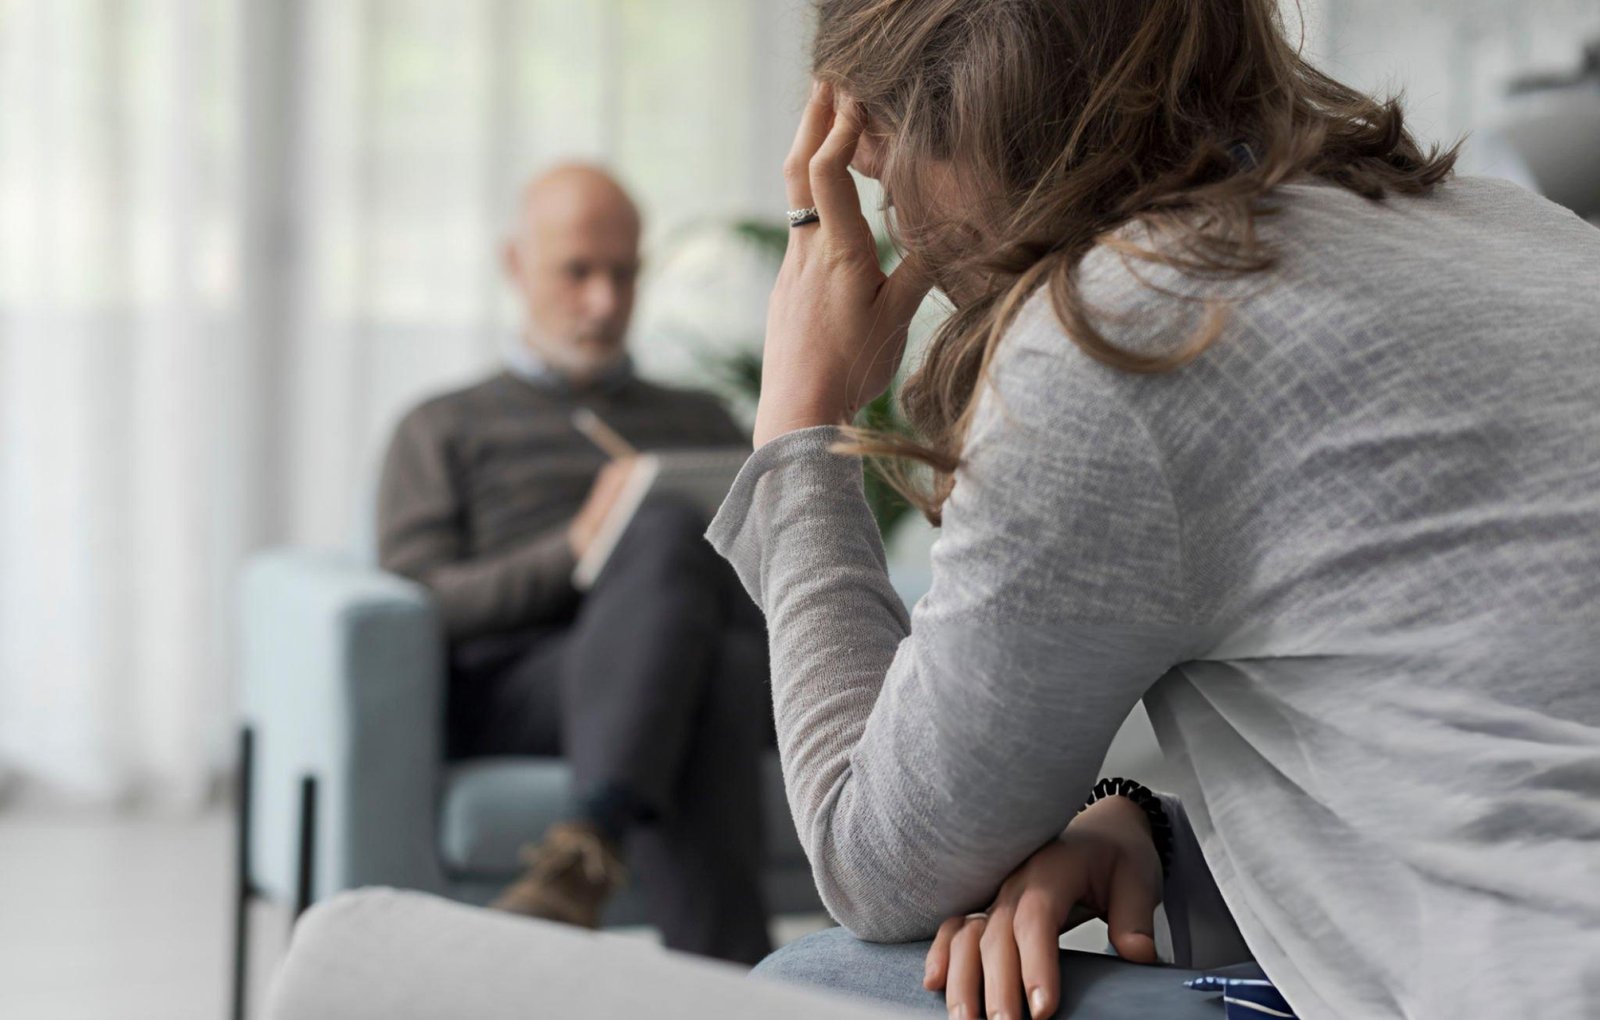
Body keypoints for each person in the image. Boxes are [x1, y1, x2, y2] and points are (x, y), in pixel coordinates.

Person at [705, 1, 1600, 1017]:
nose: (899, 230)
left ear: (968, 126)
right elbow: (1501, 744)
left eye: (886, 182)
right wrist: (1149, 834)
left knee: (821, 990)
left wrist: (799, 428)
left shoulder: (1124, 329)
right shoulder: (1527, 231)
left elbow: (875, 859)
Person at [377, 163, 772, 965]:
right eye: (577, 272)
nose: (604, 302)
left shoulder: (702, 418)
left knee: (720, 661)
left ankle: (587, 848)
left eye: (623, 274)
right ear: (516, 266)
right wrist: (578, 548)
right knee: (665, 547)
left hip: (693, 655)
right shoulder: (442, 426)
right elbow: (423, 601)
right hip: (526, 680)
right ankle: (739, 983)